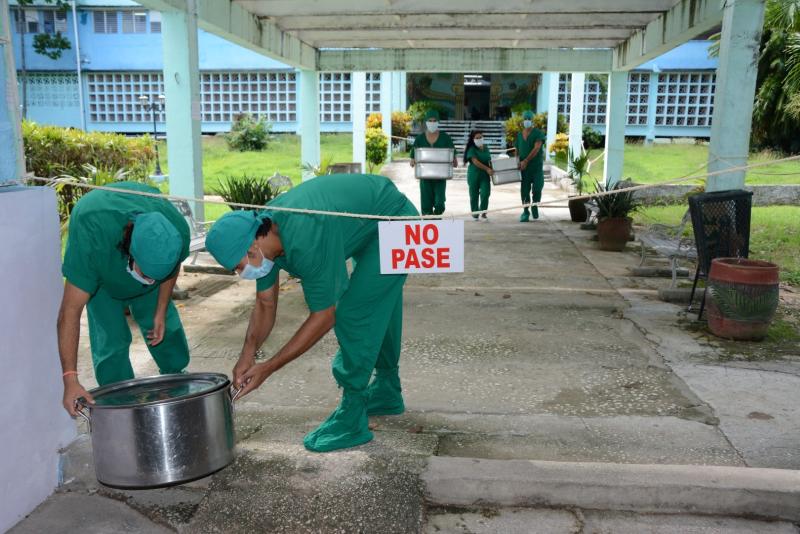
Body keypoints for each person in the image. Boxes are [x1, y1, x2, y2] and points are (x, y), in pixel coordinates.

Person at [205, 174, 419, 453]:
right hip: (369, 219)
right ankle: (387, 390)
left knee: (355, 312)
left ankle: (352, 417)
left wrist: (268, 367)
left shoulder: (305, 238)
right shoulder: (266, 233)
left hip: (397, 221)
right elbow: (265, 303)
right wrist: (247, 354)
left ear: (252, 247)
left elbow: (325, 315)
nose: (240, 272)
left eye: (237, 266)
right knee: (378, 306)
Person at [58, 182, 191, 416]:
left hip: (148, 261)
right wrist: (70, 379)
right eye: (145, 274)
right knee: (111, 339)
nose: (148, 281)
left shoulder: (175, 229)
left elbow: (171, 267)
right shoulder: (91, 235)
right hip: (103, 269)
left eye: (154, 276)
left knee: (164, 329)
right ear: (130, 250)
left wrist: (160, 310)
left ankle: (177, 381)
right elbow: (69, 312)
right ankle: (118, 401)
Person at [409, 109, 457, 216]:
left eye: (434, 120)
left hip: (440, 177)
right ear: (426, 121)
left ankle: (436, 219)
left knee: (440, 203)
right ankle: (428, 222)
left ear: (438, 121)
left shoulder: (445, 138)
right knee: (426, 205)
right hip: (425, 178)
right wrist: (413, 161)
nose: (432, 123)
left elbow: (453, 157)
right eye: (430, 120)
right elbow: (413, 158)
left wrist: (454, 161)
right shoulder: (420, 139)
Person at [515, 110, 547, 222]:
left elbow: (537, 148)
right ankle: (525, 212)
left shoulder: (538, 133)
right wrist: (517, 162)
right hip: (524, 168)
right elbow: (517, 150)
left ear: (532, 121)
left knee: (538, 187)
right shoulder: (519, 135)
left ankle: (535, 204)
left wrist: (526, 160)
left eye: (529, 119)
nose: (527, 121)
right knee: (524, 190)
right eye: (525, 119)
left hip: (535, 166)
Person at [463, 130, 494, 220]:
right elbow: (475, 162)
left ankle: (483, 212)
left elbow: (489, 159)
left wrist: (492, 168)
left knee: (485, 193)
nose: (479, 139)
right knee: (474, 195)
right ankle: (475, 213)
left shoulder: (486, 147)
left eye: (480, 137)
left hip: (484, 175)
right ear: (473, 140)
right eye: (477, 138)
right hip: (474, 175)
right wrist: (487, 168)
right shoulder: (471, 149)